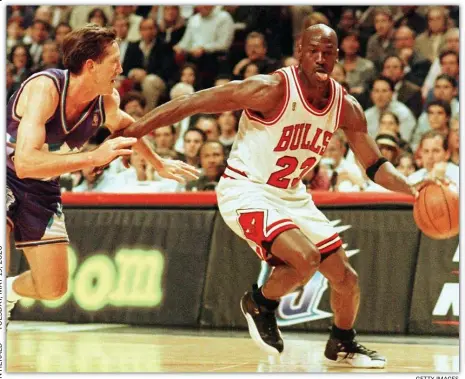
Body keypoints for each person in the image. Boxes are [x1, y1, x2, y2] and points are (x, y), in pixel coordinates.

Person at [115, 24, 421, 368]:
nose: (321, 59)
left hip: (291, 195)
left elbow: (375, 165)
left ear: (339, 55)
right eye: (313, 51)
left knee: (346, 279)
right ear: (299, 51)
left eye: (328, 52)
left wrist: (413, 188)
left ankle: (342, 342)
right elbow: (193, 102)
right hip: (246, 189)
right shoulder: (271, 89)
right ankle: (259, 302)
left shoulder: (345, 106)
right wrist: (134, 130)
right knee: (304, 259)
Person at [6, 25, 199, 324]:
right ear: (90, 65)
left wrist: (158, 162)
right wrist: (93, 157)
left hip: (41, 187)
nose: (121, 69)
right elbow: (25, 162)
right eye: (115, 62)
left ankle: (7, 292)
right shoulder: (46, 88)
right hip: (7, 173)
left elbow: (126, 126)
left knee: (53, 288)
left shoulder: (106, 100)